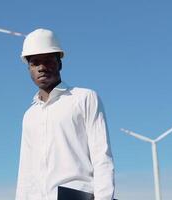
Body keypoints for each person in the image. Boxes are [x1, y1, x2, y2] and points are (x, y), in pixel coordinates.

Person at [15, 28, 115, 200]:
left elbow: (101, 156)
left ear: (60, 63)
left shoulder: (84, 98)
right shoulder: (29, 115)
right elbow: (25, 172)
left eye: (48, 61)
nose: (41, 68)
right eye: (35, 63)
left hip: (78, 195)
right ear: (28, 68)